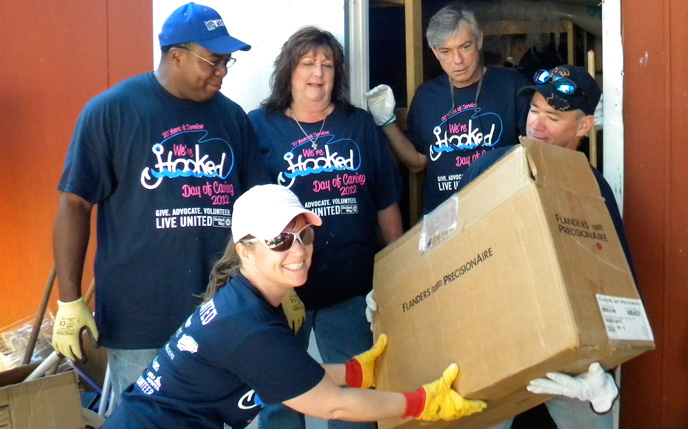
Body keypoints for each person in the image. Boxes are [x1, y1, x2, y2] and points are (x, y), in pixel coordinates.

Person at [102, 184, 486, 428]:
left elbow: (286, 372)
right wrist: (422, 403)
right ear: (245, 251)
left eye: (304, 235)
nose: (299, 251)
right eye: (279, 241)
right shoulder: (247, 326)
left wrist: (353, 372)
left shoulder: (250, 301)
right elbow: (333, 407)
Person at [51, 2, 271, 405]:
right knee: (147, 417)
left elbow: (258, 208)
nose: (222, 71)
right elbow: (75, 203)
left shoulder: (233, 119)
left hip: (220, 311)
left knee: (215, 416)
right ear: (176, 56)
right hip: (140, 318)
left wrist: (276, 283)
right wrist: (69, 300)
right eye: (214, 60)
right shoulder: (112, 111)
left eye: (228, 61)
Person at [248, 27, 403, 429]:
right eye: (307, 63)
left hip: (351, 291)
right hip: (282, 293)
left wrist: (399, 272)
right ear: (289, 71)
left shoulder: (359, 125)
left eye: (327, 65)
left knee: (356, 390)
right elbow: (250, 214)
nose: (318, 73)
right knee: (280, 397)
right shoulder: (259, 126)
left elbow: (385, 200)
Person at [458, 64, 622, 428]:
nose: (536, 124)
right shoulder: (487, 168)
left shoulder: (593, 190)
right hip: (494, 339)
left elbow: (616, 283)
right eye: (534, 110)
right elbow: (445, 248)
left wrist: (604, 379)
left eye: (553, 117)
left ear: (583, 126)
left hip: (569, 352)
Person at [365, 4, 529, 214]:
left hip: (501, 211)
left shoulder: (513, 87)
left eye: (465, 46)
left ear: (479, 41)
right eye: (446, 51)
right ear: (435, 51)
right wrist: (386, 123)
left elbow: (537, 153)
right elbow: (417, 162)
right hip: (443, 218)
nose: (457, 60)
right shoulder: (426, 96)